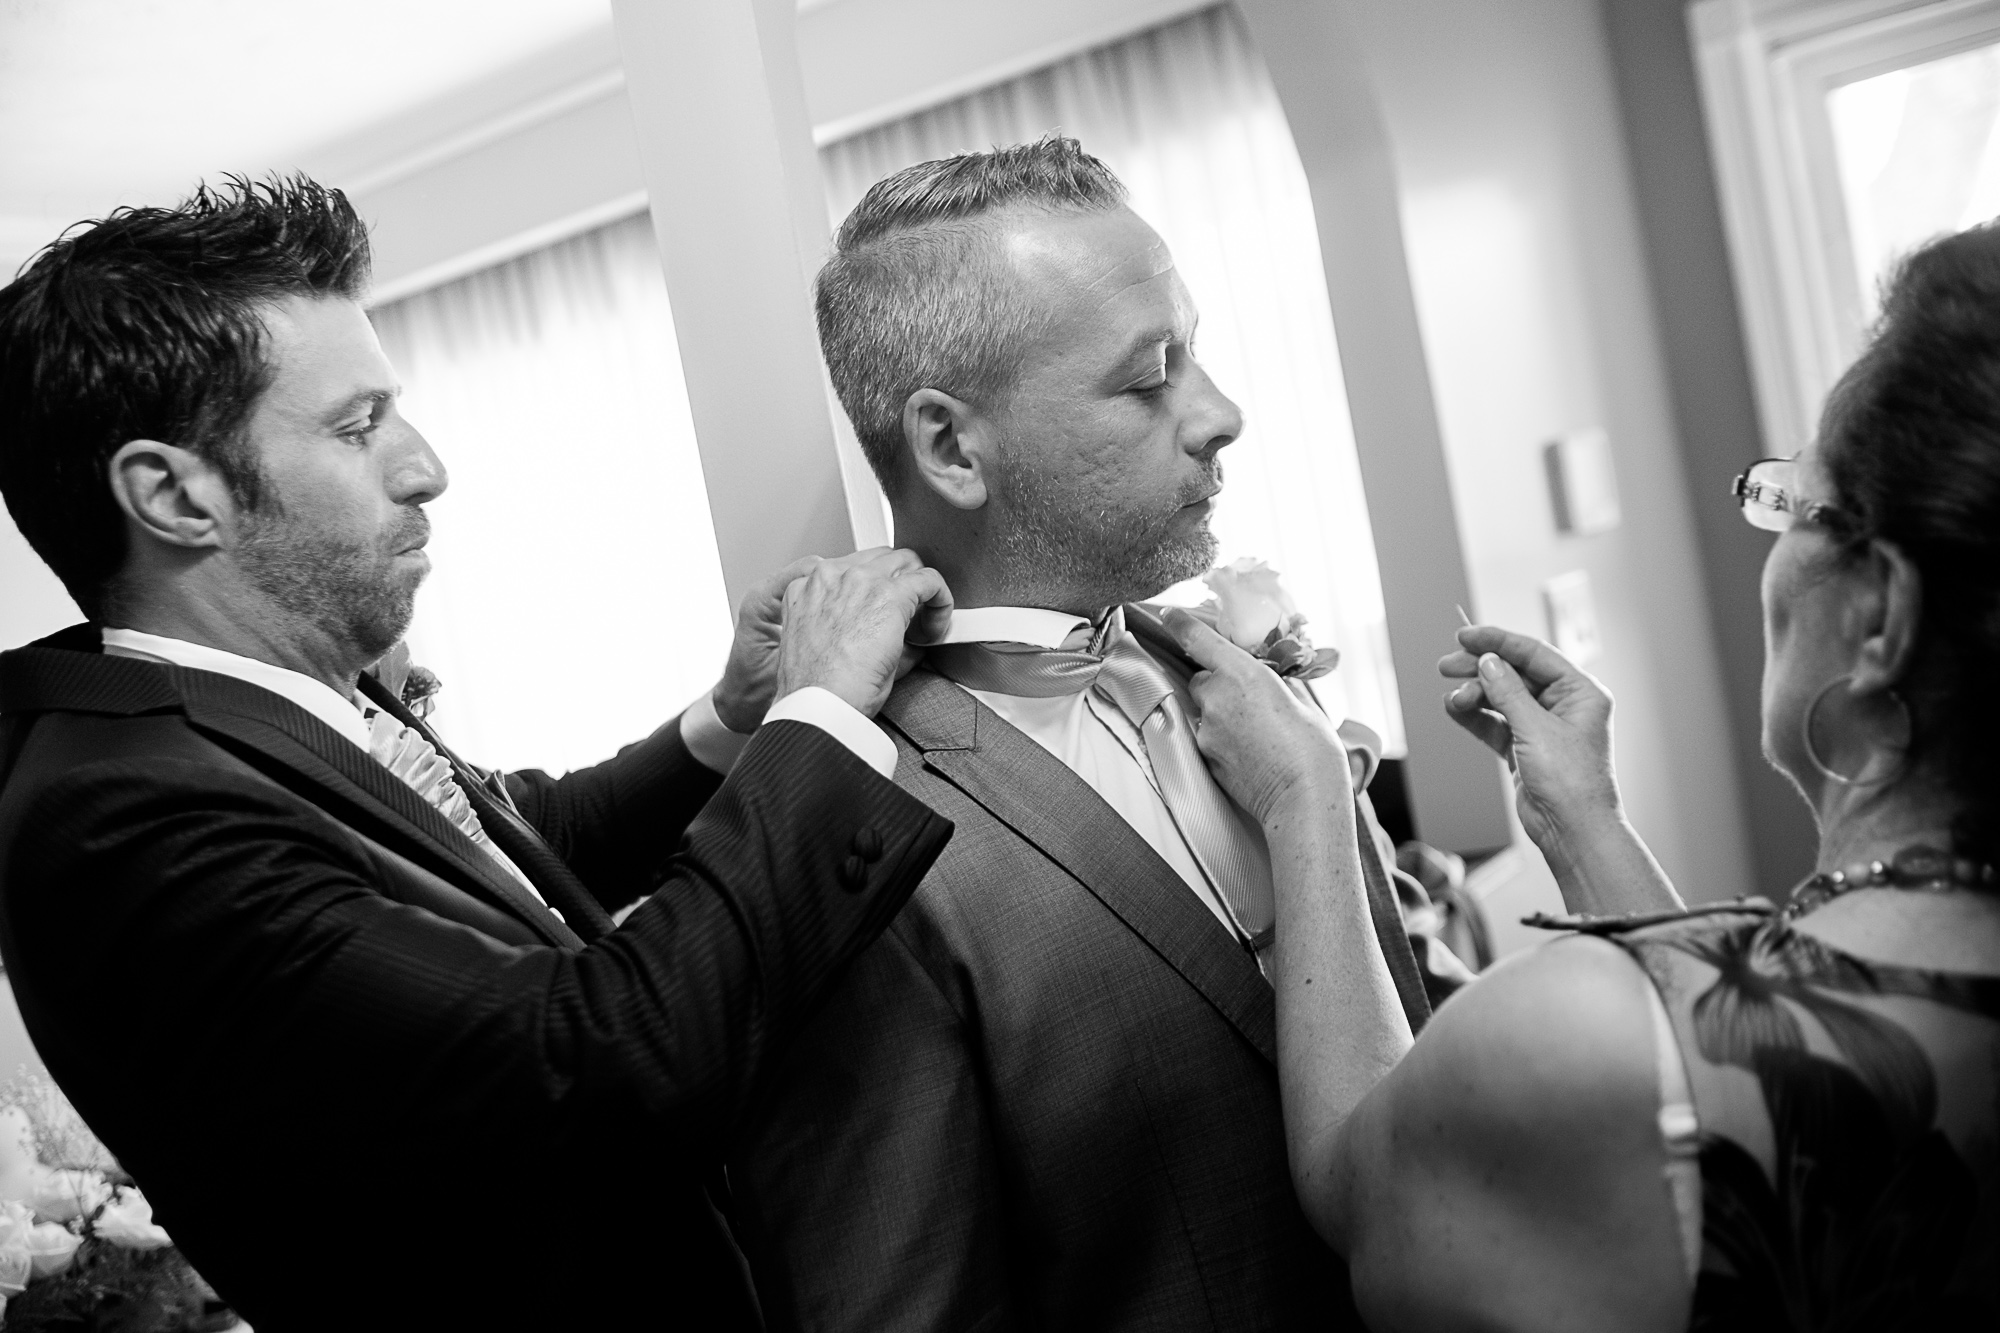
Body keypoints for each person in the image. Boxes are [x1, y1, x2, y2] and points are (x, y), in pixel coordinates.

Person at [0, 177, 959, 1331]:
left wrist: (737, 714)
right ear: (171, 492)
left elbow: (503, 861)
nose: (425, 466)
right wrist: (820, 723)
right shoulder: (118, 818)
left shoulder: (259, 698)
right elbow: (603, 1057)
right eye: (358, 426)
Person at [1178, 221, 2000, 1329]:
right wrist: (1582, 821)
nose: (1774, 546)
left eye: (1797, 501)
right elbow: (1738, 1078)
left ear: (1880, 617)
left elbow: (1354, 1184)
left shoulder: (1566, 1043)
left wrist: (1308, 799)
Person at [725, 136, 1428, 1331]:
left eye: (1192, 351)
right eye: (1149, 375)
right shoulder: (844, 837)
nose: (1220, 414)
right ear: (951, 445)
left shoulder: (1255, 702)